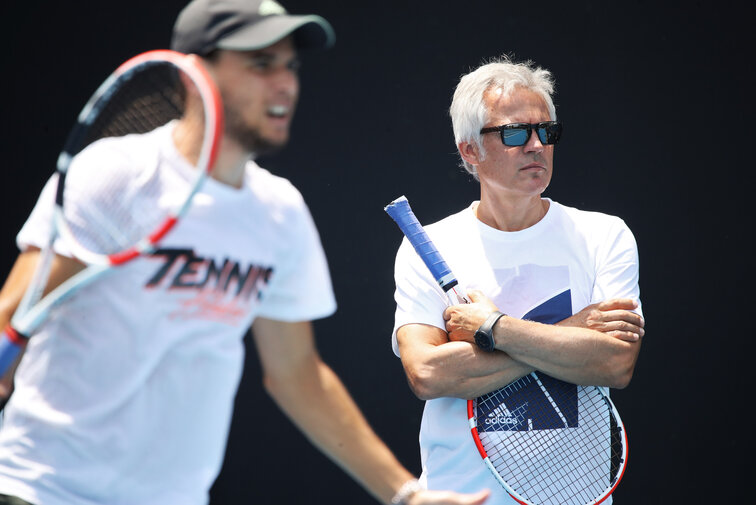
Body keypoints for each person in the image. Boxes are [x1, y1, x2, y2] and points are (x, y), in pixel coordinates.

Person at [0, 1, 492, 504]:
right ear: (193, 74)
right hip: (43, 489)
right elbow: (13, 312)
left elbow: (298, 376)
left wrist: (405, 495)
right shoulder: (115, 176)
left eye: (290, 66)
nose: (285, 83)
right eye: (260, 64)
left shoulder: (278, 213)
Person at [390, 56, 645, 503]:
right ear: (469, 150)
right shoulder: (426, 245)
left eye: (547, 131)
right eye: (514, 133)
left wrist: (494, 329)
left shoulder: (605, 235)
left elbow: (614, 364)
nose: (536, 145)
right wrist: (572, 337)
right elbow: (427, 373)